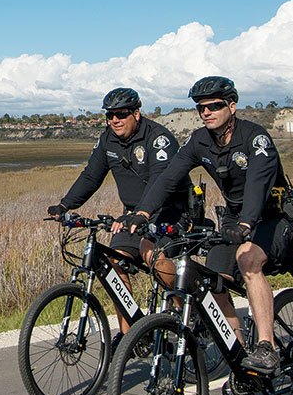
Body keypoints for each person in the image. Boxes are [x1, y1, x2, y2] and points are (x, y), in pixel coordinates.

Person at [120, 76, 293, 375]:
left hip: (272, 215)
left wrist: (246, 223)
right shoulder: (200, 140)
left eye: (214, 106)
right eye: (201, 108)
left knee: (248, 260)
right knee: (215, 283)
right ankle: (240, 359)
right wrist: (143, 212)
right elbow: (169, 177)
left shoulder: (255, 138)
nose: (207, 112)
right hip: (234, 220)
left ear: (232, 106)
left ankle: (267, 347)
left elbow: (258, 184)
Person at [48, 87, 191, 342]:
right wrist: (65, 205)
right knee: (114, 262)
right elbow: (92, 176)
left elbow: (160, 181)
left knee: (151, 254)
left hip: (171, 210)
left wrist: (139, 214)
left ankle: (185, 310)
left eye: (121, 114)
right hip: (132, 215)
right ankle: (130, 335)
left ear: (136, 113)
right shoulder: (108, 139)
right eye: (110, 115)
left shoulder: (159, 140)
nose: (115, 120)